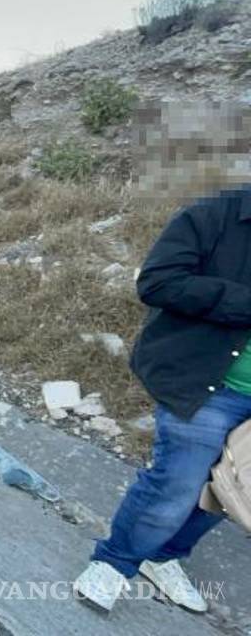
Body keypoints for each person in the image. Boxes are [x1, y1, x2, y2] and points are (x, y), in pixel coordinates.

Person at [74, 185, 251, 613]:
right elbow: (158, 281)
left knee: (231, 490)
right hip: (208, 383)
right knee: (178, 482)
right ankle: (115, 562)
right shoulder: (214, 215)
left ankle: (163, 556)